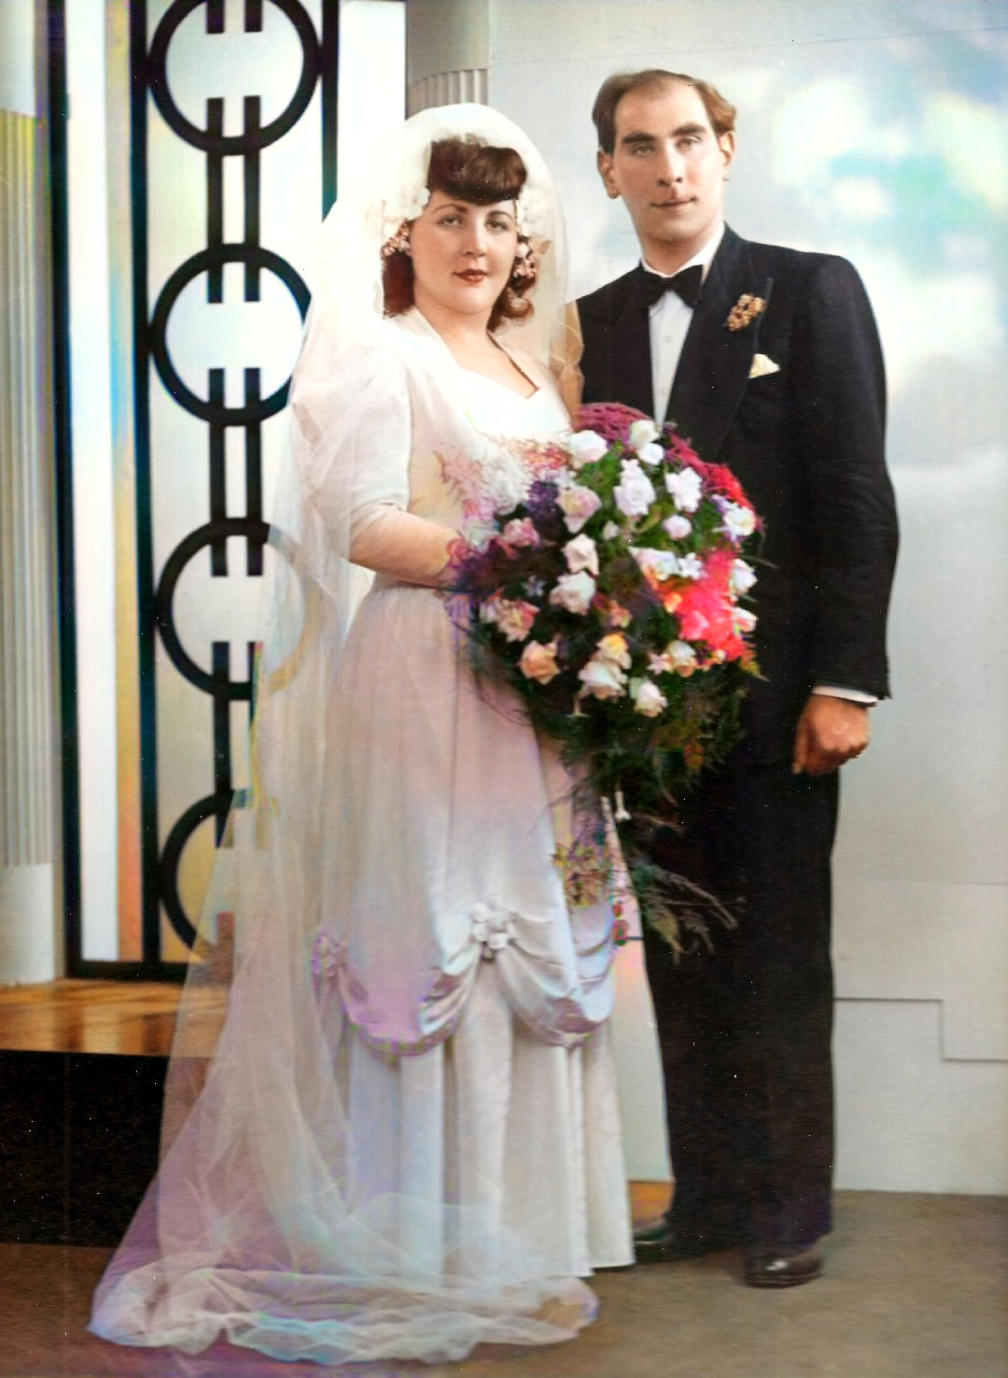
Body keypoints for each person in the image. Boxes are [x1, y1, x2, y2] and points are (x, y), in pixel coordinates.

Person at [90, 105, 632, 1366]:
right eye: (450, 218)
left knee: (523, 928)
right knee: (434, 925)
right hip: (429, 672)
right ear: (405, 232)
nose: (477, 243)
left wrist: (583, 590)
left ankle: (524, 1238)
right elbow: (362, 522)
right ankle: (424, 1241)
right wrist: (520, 565)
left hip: (534, 689)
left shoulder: (533, 369)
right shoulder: (381, 356)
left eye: (497, 220)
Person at [577, 70, 898, 1287]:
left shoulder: (811, 290)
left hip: (780, 699)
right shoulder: (589, 322)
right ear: (608, 169)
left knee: (777, 959)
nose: (670, 168)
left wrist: (847, 682)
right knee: (680, 955)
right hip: (646, 709)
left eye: (690, 140)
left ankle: (786, 1210)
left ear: (725, 150)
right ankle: (707, 1198)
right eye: (640, 146)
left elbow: (857, 497)